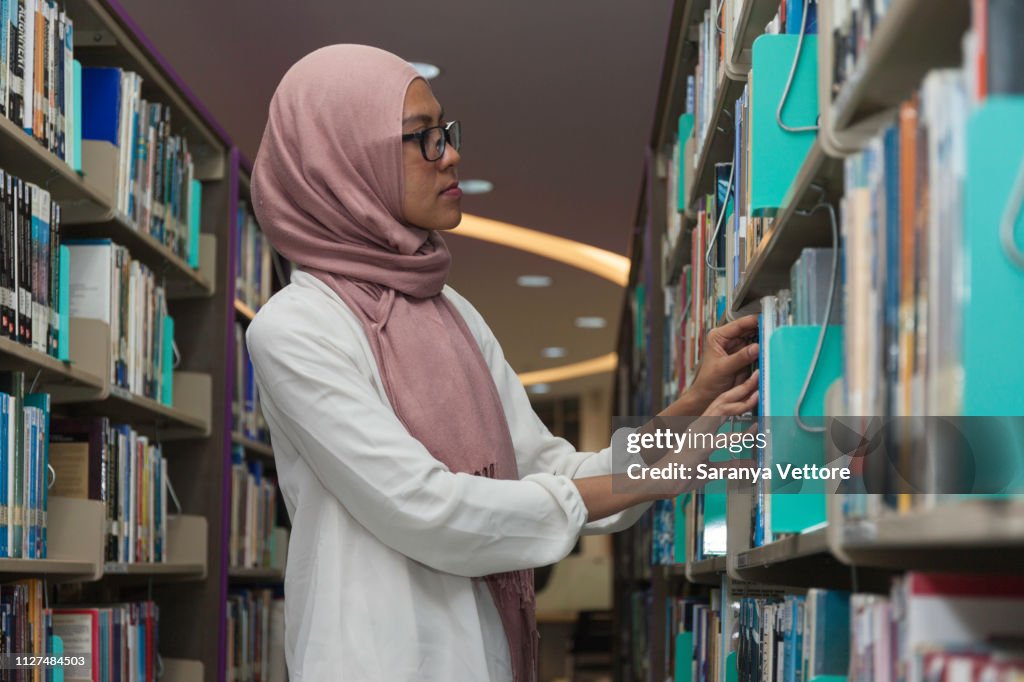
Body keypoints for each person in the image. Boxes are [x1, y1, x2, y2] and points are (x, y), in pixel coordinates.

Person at [245, 44, 759, 682]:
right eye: (421, 138)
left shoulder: (452, 311)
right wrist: (652, 479)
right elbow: (425, 507)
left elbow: (550, 471)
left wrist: (690, 407)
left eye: (446, 132)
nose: (451, 153)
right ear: (344, 163)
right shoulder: (294, 327)